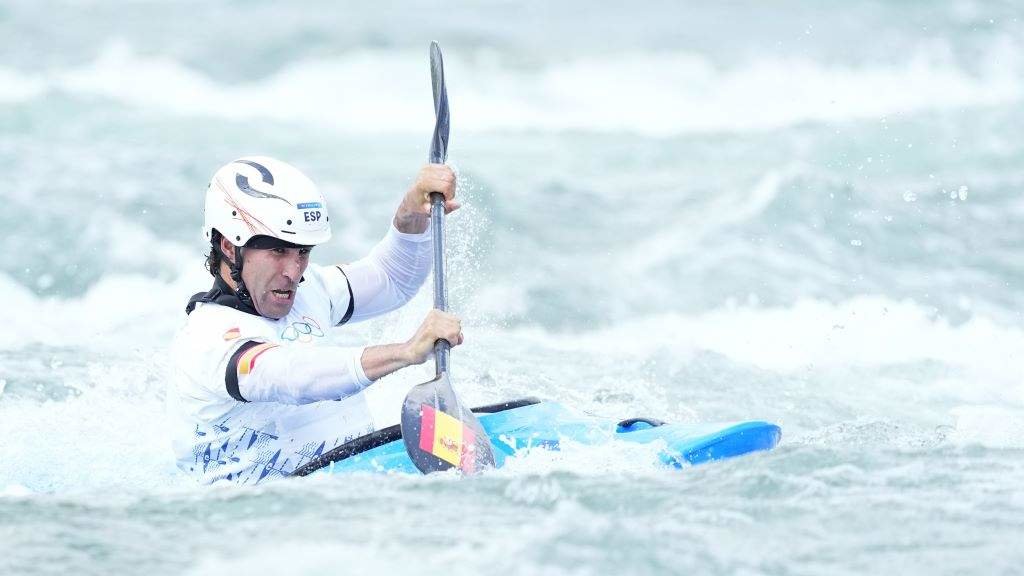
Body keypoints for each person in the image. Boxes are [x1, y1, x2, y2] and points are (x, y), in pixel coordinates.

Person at [167, 156, 463, 485]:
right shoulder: (206, 339)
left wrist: (411, 212)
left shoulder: (309, 291)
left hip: (346, 484)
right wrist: (405, 352)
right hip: (253, 516)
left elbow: (392, 279)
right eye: (278, 252)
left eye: (303, 252)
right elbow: (293, 376)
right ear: (229, 246)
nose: (294, 272)